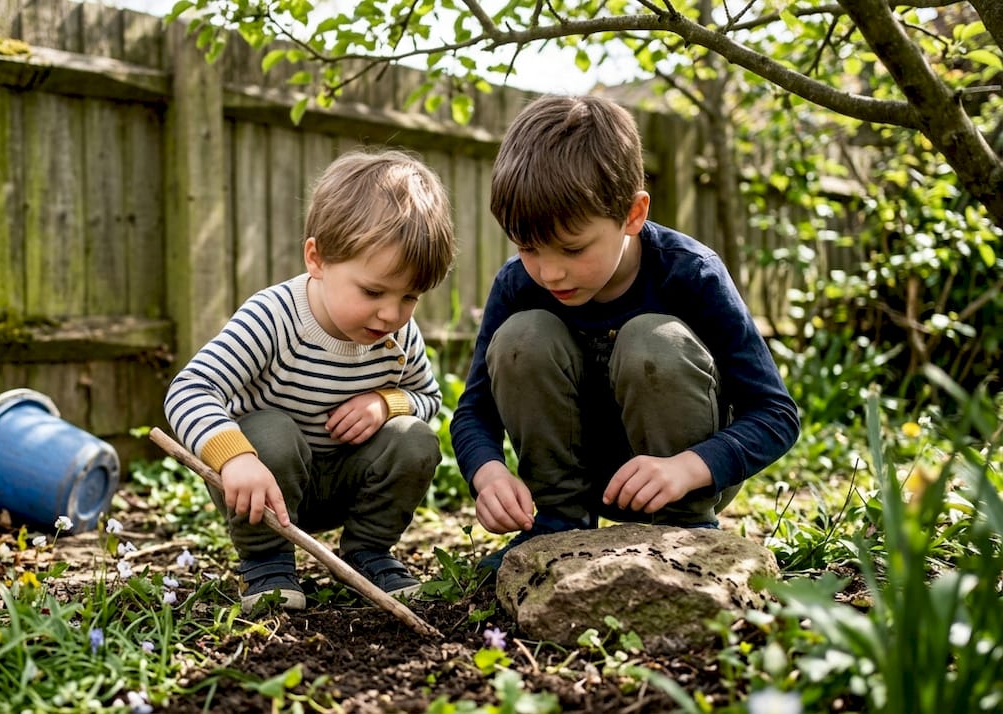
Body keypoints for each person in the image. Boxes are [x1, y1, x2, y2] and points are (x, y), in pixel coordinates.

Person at [450, 95, 800, 572]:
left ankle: (685, 528)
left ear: (633, 215)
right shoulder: (518, 285)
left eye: (572, 249)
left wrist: (686, 469)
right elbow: (473, 412)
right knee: (521, 337)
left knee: (653, 341)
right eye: (529, 247)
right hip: (575, 479)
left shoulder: (691, 274)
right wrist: (487, 474)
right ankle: (558, 524)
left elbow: (776, 414)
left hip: (679, 481)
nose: (549, 272)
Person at [164, 149, 457, 612]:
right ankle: (267, 565)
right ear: (316, 259)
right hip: (264, 482)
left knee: (414, 438)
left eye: (410, 297)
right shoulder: (273, 317)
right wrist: (234, 458)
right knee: (272, 433)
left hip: (345, 481)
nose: (390, 313)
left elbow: (428, 396)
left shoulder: (398, 334)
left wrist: (386, 404)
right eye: (373, 291)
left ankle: (367, 553)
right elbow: (190, 388)